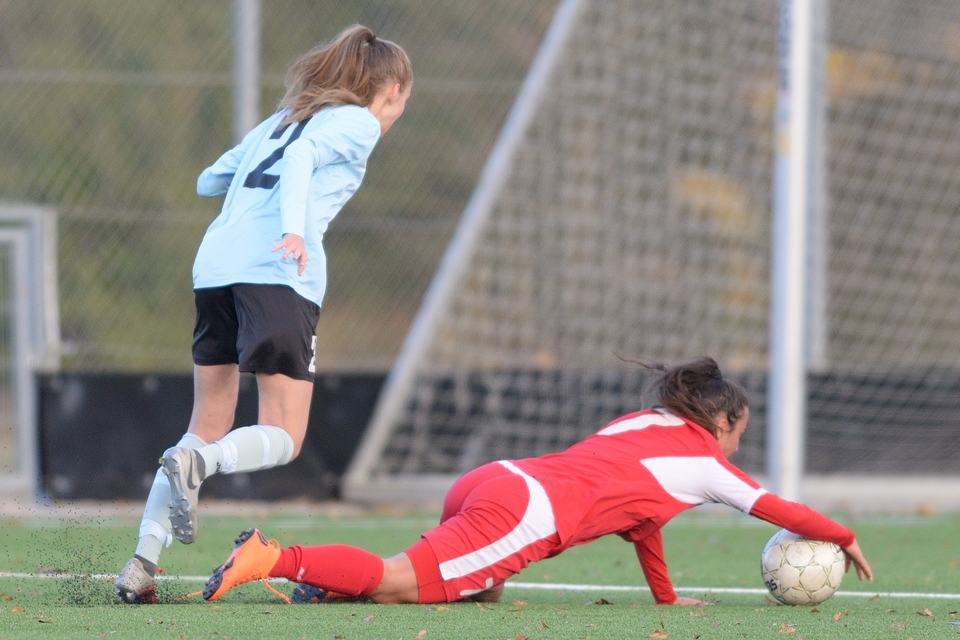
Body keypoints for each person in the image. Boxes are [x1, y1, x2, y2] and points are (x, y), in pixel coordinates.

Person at [114, 24, 412, 605]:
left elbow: (210, 179)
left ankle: (141, 564)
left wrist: (251, 187)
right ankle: (199, 464)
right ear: (393, 90)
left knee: (206, 421)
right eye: (403, 100)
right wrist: (294, 230)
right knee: (285, 433)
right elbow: (301, 158)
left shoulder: (284, 118)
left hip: (214, 268)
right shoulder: (357, 122)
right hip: (277, 270)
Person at [199, 357, 873, 606]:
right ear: (722, 422)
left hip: (496, 480)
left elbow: (643, 523)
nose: (739, 444)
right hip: (524, 514)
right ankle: (273, 558)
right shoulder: (708, 465)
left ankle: (325, 583)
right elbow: (780, 509)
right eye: (739, 431)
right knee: (392, 582)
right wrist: (842, 535)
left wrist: (666, 599)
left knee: (475, 591)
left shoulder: (649, 423)